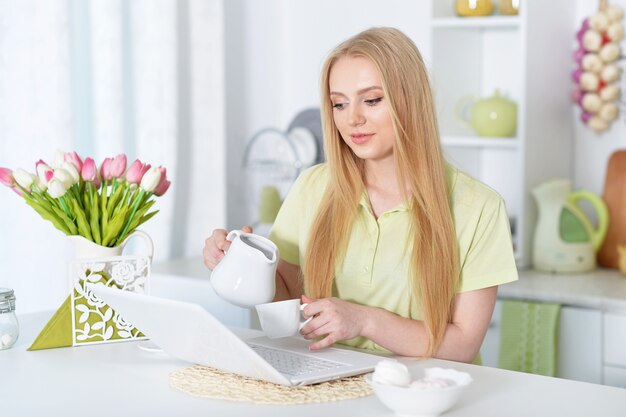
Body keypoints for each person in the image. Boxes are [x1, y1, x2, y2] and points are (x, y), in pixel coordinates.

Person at [203, 27, 518, 363]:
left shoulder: (479, 207)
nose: (352, 118)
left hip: (426, 393)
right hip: (331, 380)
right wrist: (243, 263)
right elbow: (291, 302)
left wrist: (365, 320)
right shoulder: (313, 187)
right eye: (339, 104)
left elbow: (463, 345)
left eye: (372, 100)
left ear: (410, 100)